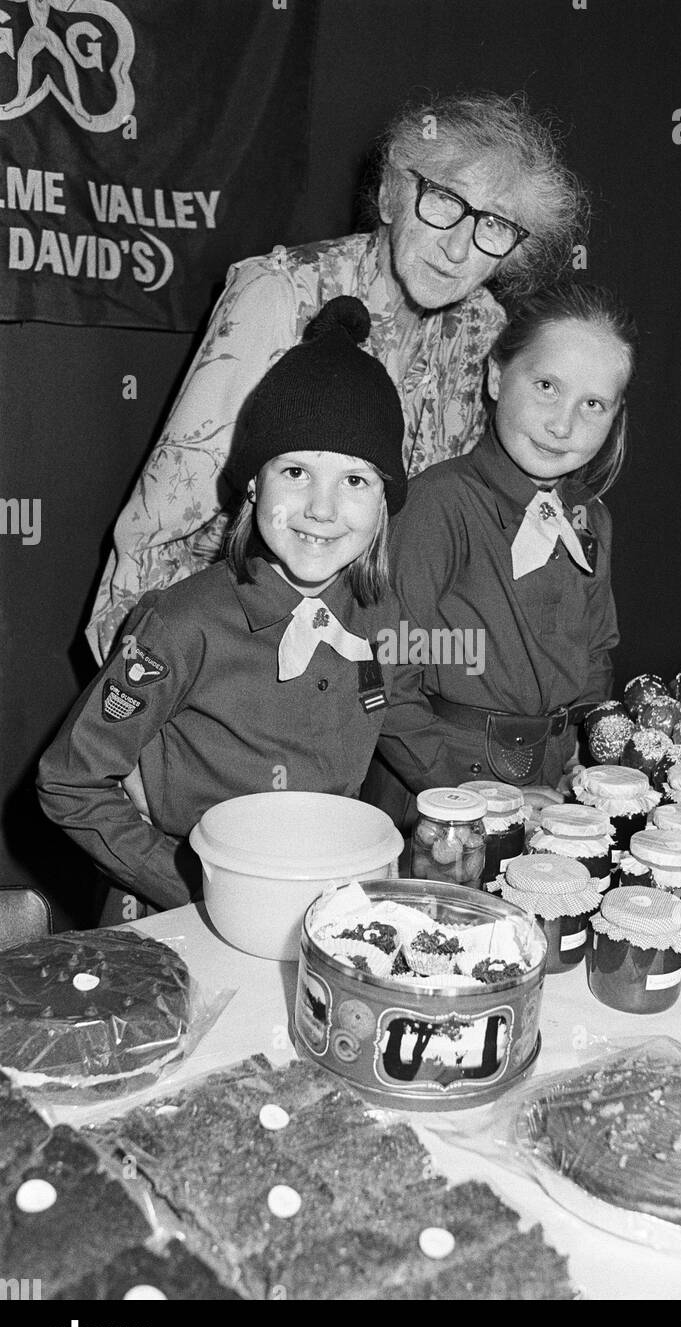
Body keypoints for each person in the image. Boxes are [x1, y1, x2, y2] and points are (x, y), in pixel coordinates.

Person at [86, 90, 588, 660]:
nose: (456, 249)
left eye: (493, 226)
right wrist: (136, 694)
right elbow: (156, 531)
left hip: (358, 656)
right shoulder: (281, 295)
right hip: (222, 643)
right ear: (390, 196)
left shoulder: (483, 330)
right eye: (444, 202)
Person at [38, 298, 406, 915]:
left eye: (355, 480)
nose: (322, 508)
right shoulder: (181, 624)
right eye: (295, 471)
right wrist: (190, 887)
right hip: (185, 911)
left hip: (322, 907)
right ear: (253, 483)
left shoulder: (382, 620)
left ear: (384, 502)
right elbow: (70, 781)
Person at [369, 277, 636, 824]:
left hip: (549, 790)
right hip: (436, 796)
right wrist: (464, 796)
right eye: (545, 386)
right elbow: (384, 675)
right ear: (495, 375)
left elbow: (593, 655)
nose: (563, 424)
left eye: (593, 403)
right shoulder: (437, 506)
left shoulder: (592, 517)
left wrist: (580, 753)